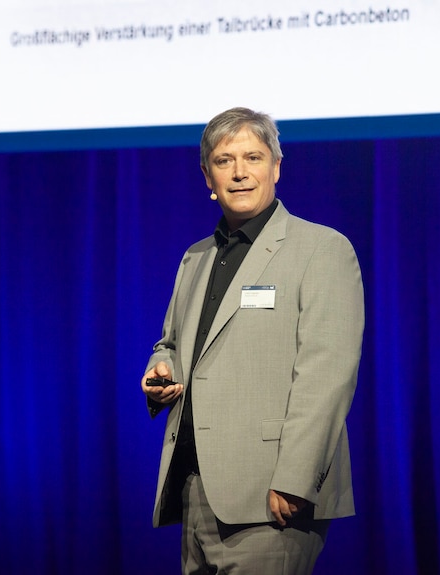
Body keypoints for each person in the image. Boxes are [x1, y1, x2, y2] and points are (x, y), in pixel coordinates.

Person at [141, 107, 365, 574]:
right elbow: (172, 343)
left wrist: (296, 479)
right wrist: (162, 370)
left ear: (276, 167)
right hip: (195, 487)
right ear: (208, 175)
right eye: (225, 161)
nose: (240, 172)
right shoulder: (195, 257)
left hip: (272, 495)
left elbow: (327, 376)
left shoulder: (322, 249)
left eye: (253, 158)